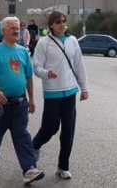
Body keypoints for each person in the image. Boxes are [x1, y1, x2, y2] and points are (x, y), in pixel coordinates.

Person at [0, 16, 45, 184]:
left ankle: (29, 168)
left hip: (19, 103)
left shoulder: (23, 51)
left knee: (22, 135)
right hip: (0, 104)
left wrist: (31, 99)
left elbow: (29, 77)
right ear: (3, 31)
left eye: (18, 28)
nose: (17, 31)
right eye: (12, 28)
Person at [32, 10, 89, 180]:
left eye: (64, 21)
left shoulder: (72, 41)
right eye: (58, 22)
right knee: (50, 128)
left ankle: (63, 166)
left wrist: (84, 88)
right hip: (52, 92)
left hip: (70, 91)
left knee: (68, 131)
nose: (62, 24)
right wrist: (46, 73)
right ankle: (33, 146)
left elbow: (79, 65)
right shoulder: (44, 44)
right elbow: (36, 68)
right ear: (51, 25)